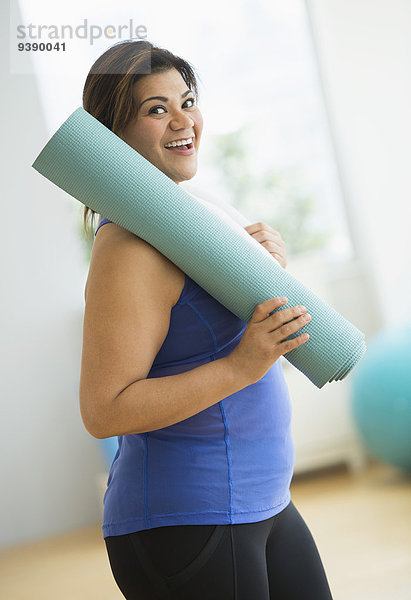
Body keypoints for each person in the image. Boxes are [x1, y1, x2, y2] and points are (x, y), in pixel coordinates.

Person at [79, 39, 333, 600]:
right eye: (156, 108)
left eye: (187, 100)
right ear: (112, 134)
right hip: (188, 517)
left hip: (265, 501)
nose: (182, 121)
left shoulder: (193, 224)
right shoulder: (128, 247)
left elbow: (233, 346)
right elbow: (104, 410)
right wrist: (244, 364)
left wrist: (266, 280)